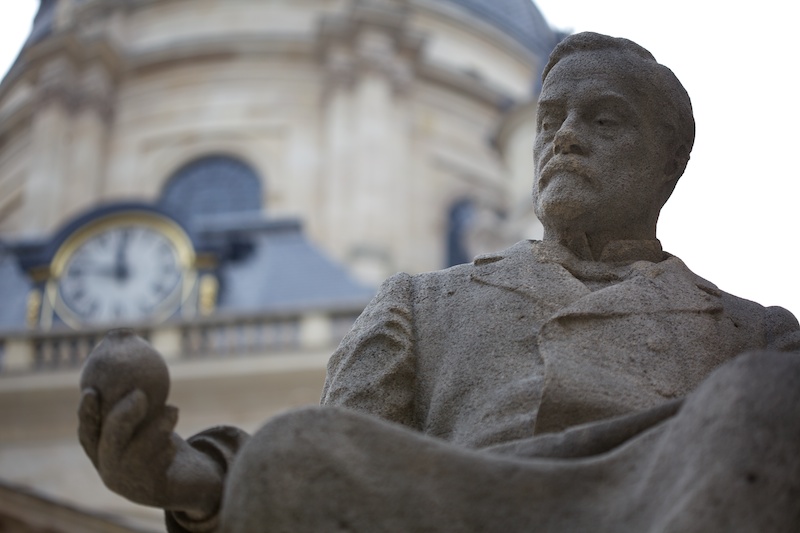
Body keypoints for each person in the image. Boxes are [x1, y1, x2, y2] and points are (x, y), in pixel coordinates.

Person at [79, 32, 800, 533]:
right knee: (293, 442)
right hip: (456, 507)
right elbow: (337, 448)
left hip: (660, 503)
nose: (565, 137)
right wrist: (192, 481)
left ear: (669, 161)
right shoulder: (419, 302)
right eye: (549, 122)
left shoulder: (758, 333)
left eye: (602, 119)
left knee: (769, 395)